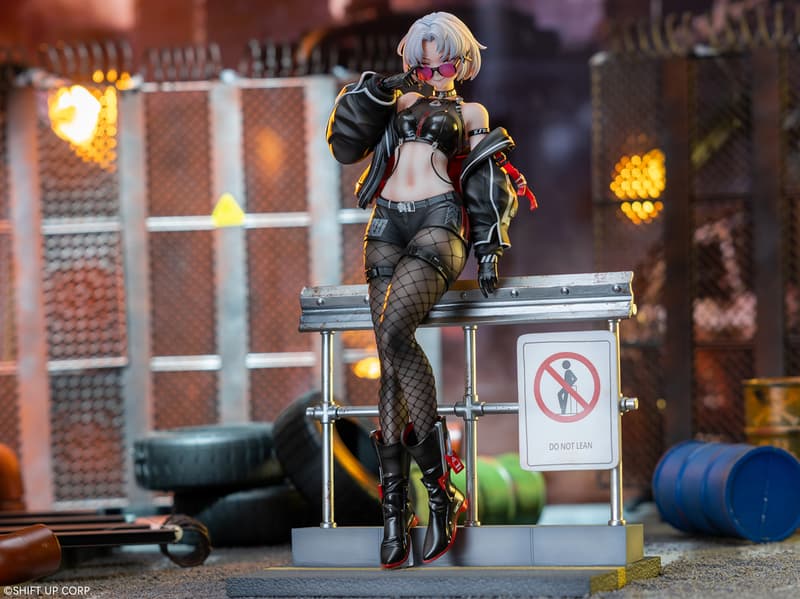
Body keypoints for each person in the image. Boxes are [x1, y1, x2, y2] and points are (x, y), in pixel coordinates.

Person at [326, 11, 534, 569]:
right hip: (385, 226)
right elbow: (344, 142)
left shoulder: (471, 113)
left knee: (395, 336)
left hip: (438, 222)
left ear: (461, 63)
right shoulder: (395, 103)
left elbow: (487, 180)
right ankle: (398, 513)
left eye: (443, 64)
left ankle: (439, 492)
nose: (433, 73)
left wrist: (488, 246)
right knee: (390, 365)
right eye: (422, 64)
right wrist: (381, 88)